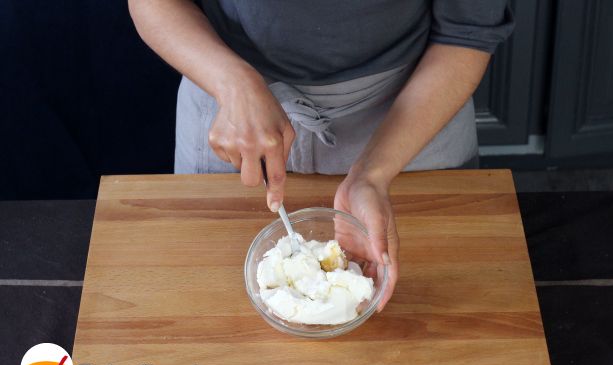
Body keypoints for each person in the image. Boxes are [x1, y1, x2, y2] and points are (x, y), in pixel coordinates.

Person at [128, 0, 514, 311]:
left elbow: (467, 33)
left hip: (413, 119)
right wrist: (234, 83)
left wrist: (373, 175)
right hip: (231, 108)